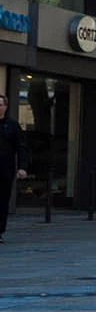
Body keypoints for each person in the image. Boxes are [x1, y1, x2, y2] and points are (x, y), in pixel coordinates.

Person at [0, 94, 27, 243]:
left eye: (0, 104)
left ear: (5, 107)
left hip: (5, 169)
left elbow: (21, 147)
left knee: (2, 200)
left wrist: (22, 167)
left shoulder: (12, 125)